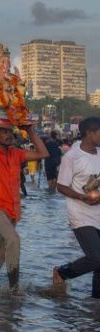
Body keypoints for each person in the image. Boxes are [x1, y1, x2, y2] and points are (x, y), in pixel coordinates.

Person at [0, 113, 48, 289]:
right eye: (4, 132)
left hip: (12, 209)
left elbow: (43, 153)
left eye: (10, 132)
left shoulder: (16, 153)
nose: (9, 136)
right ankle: (14, 288)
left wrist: (30, 131)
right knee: (13, 240)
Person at [52, 117, 100, 297]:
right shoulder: (72, 156)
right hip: (81, 214)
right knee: (96, 257)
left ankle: (95, 304)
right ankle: (62, 272)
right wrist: (81, 196)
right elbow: (61, 186)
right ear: (90, 133)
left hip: (99, 212)